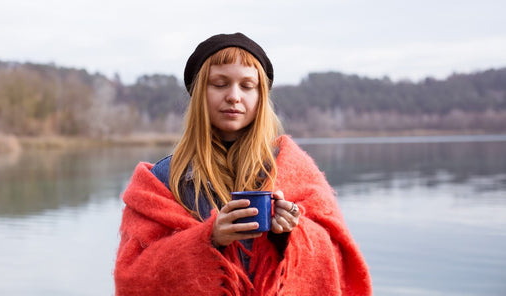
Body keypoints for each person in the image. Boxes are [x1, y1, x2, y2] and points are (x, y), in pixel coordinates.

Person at [114, 32, 372, 295]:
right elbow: (133, 278)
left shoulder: (294, 168)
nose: (234, 96)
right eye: (220, 83)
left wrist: (290, 234)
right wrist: (208, 239)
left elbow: (338, 263)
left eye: (247, 86)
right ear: (199, 93)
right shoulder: (162, 180)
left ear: (261, 96)